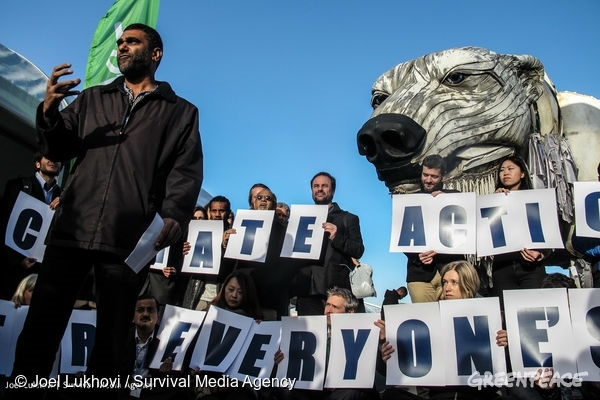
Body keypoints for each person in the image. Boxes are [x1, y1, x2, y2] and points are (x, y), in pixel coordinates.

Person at [9, 23, 203, 398]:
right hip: (71, 232)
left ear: (155, 54)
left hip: (127, 240)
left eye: (132, 42)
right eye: (120, 44)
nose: (123, 48)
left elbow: (185, 172)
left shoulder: (180, 113)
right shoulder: (92, 99)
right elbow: (58, 148)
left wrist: (174, 217)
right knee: (41, 328)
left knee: (114, 340)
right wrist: (49, 111)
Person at [378, 261, 500, 400]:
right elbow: (404, 369)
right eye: (445, 282)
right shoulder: (430, 320)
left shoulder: (488, 317)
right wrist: (387, 352)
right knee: (391, 395)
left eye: (454, 282)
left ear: (468, 284)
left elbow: (499, 374)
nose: (447, 288)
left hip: (476, 395)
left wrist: (505, 345)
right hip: (440, 395)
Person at [274, 287, 378, 400]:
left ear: (350, 312)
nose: (328, 310)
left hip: (346, 391)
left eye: (335, 307)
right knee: (284, 389)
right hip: (317, 390)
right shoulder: (311, 333)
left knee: (349, 394)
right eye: (328, 305)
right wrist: (283, 361)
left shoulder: (367, 333)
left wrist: (382, 342)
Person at [294, 172, 365, 316]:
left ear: (332, 190)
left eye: (324, 186)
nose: (319, 189)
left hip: (336, 292)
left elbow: (358, 250)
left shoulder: (349, 218)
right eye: (316, 186)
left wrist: (337, 237)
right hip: (306, 291)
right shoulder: (300, 219)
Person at [0, 151, 62, 300]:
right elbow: (4, 223)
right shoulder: (17, 186)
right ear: (37, 163)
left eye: (58, 159)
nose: (53, 160)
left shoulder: (63, 196)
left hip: (42, 272)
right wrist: (17, 259)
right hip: (12, 269)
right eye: (48, 157)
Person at [404, 155, 462, 303]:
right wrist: (419, 255)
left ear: (443, 176)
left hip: (452, 270)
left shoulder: (457, 198)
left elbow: (465, 234)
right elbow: (403, 237)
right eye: (425, 175)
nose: (428, 180)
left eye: (434, 176)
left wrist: (447, 199)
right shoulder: (409, 201)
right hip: (419, 274)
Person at [490, 155, 548, 301]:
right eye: (502, 170)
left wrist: (541, 254)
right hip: (502, 267)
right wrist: (493, 203)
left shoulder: (536, 200)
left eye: (510, 169)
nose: (505, 173)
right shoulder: (491, 200)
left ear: (522, 174)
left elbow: (550, 232)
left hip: (531, 268)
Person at [182, 196, 235, 311]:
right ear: (209, 212)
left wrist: (226, 246)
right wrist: (184, 252)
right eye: (214, 210)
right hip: (197, 296)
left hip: (220, 298)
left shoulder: (235, 236)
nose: (217, 214)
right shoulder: (196, 233)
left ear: (228, 213)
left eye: (221, 211)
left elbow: (233, 269)